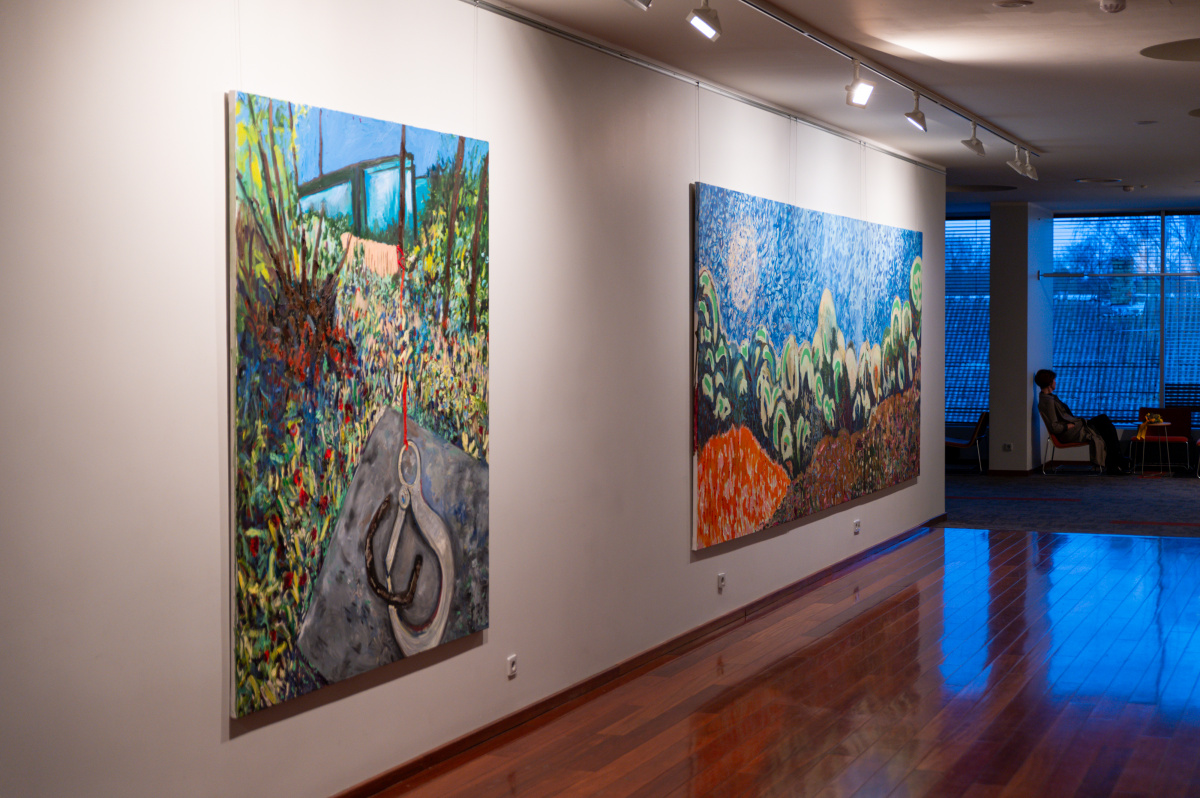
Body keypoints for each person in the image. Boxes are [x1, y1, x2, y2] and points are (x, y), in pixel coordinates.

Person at [1034, 369, 1126, 475]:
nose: (1055, 382)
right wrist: (1068, 426)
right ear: (1049, 383)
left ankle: (1115, 463)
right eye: (1054, 380)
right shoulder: (1048, 402)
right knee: (1105, 423)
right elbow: (1054, 427)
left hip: (1075, 428)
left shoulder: (1049, 398)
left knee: (1106, 424)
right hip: (1070, 432)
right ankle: (1116, 463)